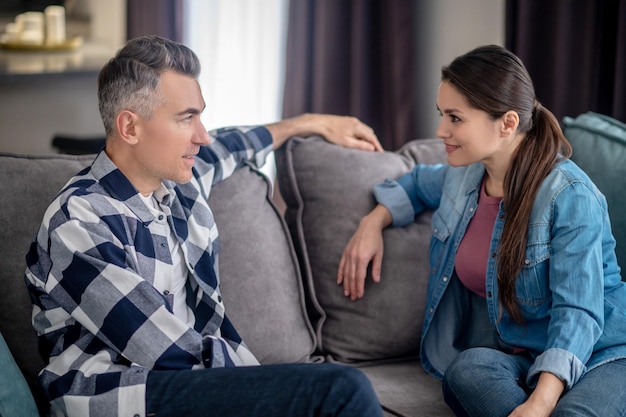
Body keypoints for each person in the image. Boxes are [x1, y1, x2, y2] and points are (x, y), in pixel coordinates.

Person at [25, 35, 385, 417]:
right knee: (342, 388)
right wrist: (262, 381)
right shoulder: (79, 220)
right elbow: (161, 348)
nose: (203, 135)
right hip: (116, 396)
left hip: (187, 384)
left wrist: (312, 123)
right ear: (130, 127)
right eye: (186, 118)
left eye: (200, 115)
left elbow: (234, 143)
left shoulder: (180, 184)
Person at [337, 44, 626, 417]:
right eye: (441, 115)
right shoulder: (464, 176)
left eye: (455, 118)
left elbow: (578, 312)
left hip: (601, 354)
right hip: (525, 359)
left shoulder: (570, 195)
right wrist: (372, 221)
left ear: (507, 123)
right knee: (466, 371)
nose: (441, 130)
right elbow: (415, 184)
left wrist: (539, 403)